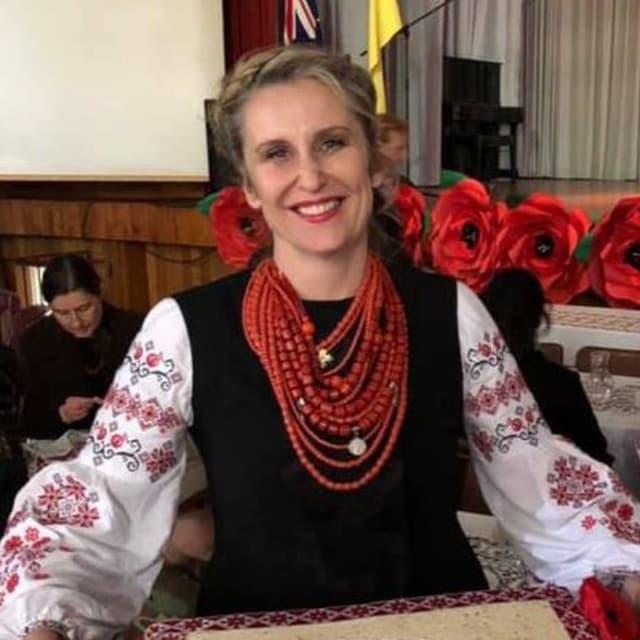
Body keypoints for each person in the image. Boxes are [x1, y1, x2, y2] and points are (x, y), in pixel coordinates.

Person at [2, 46, 640, 639]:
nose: (310, 175)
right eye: (277, 153)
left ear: (370, 159)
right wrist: (46, 618)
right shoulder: (184, 328)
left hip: (434, 625)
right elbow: (105, 497)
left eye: (331, 143)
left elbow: (538, 478)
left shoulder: (452, 311)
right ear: (249, 185)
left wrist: (625, 568)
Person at [481, 268, 614, 465]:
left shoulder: (467, 380)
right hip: (546, 493)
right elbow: (597, 457)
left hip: (475, 493)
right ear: (539, 318)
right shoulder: (561, 385)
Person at [17, 254, 143, 441]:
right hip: (62, 447)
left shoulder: (136, 330)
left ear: (99, 291)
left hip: (132, 438)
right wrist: (61, 414)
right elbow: (28, 422)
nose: (76, 323)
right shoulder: (35, 340)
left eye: (84, 308)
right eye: (62, 313)